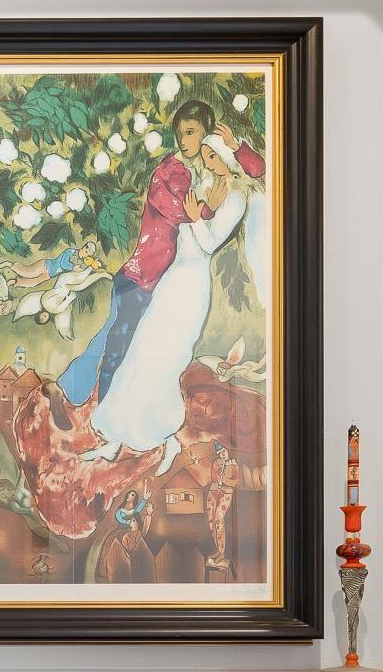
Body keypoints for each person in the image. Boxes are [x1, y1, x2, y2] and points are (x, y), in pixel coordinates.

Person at [83, 103, 262, 468]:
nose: (207, 160)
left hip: (191, 285)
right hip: (172, 279)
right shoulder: (206, 183)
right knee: (142, 352)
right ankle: (116, 434)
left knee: (167, 358)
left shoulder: (237, 197)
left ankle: (159, 434)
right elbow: (181, 211)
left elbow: (210, 243)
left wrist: (197, 217)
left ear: (227, 157)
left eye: (214, 154)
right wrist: (198, 212)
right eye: (207, 153)